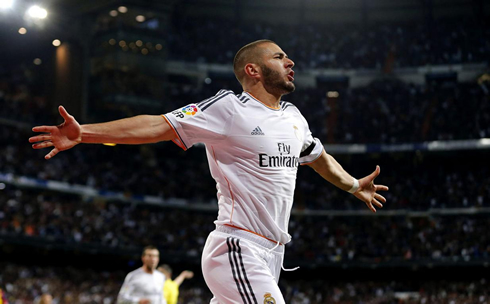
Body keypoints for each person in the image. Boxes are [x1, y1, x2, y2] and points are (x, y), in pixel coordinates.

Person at [30, 39, 388, 303]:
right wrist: (86, 133)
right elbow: (159, 125)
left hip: (274, 253)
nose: (290, 61)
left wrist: (355, 185)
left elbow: (318, 156)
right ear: (253, 70)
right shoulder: (229, 108)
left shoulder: (294, 117)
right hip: (237, 245)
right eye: (279, 57)